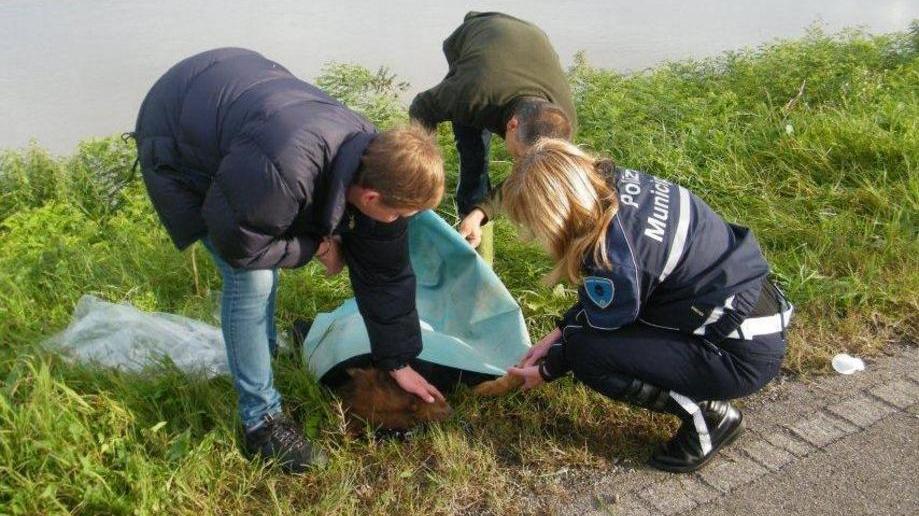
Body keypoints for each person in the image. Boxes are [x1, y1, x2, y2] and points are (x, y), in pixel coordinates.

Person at [134, 48, 446, 473]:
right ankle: (260, 420)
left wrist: (397, 361)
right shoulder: (286, 165)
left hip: (238, 104)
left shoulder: (377, 162)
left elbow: (386, 272)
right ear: (371, 198)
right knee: (253, 279)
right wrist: (317, 244)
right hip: (176, 131)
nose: (397, 223)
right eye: (397, 214)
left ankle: (258, 356)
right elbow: (239, 243)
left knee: (270, 237)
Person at [503, 139, 792, 472]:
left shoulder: (614, 257)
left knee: (587, 354)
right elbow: (612, 303)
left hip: (739, 353)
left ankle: (709, 416)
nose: (535, 237)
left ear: (555, 215)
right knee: (579, 338)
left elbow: (603, 328)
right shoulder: (619, 182)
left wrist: (549, 368)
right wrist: (559, 331)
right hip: (759, 306)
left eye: (534, 226)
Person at [409, 11, 576, 251]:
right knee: (473, 152)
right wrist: (426, 170)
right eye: (520, 157)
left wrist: (481, 212)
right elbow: (421, 107)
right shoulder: (471, 95)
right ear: (512, 125)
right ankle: (468, 223)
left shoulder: (563, 127)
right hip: (474, 37)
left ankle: (474, 221)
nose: (520, 165)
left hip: (532, 39)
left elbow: (523, 178)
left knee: (511, 181)